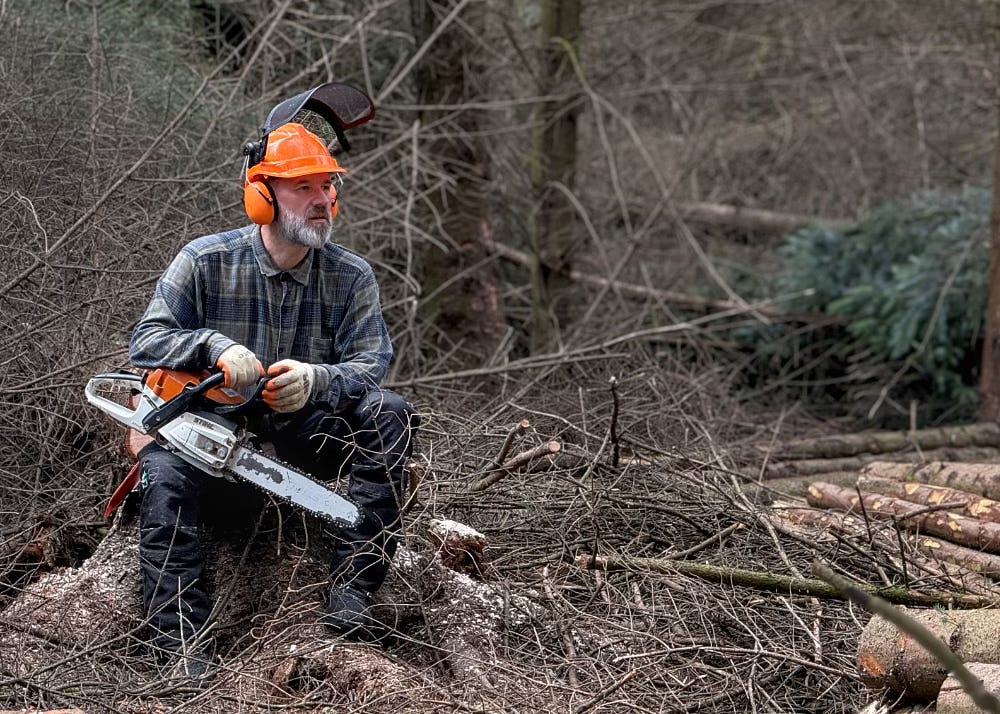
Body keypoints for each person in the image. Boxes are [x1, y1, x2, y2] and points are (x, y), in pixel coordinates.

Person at [129, 121, 417, 679]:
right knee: (162, 472)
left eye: (327, 186)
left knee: (391, 412)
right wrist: (212, 345)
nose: (323, 200)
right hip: (216, 443)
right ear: (262, 194)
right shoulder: (205, 261)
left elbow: (372, 360)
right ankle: (180, 643)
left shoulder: (350, 276)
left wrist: (318, 380)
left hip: (306, 437)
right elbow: (148, 340)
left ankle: (353, 590)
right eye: (303, 187)